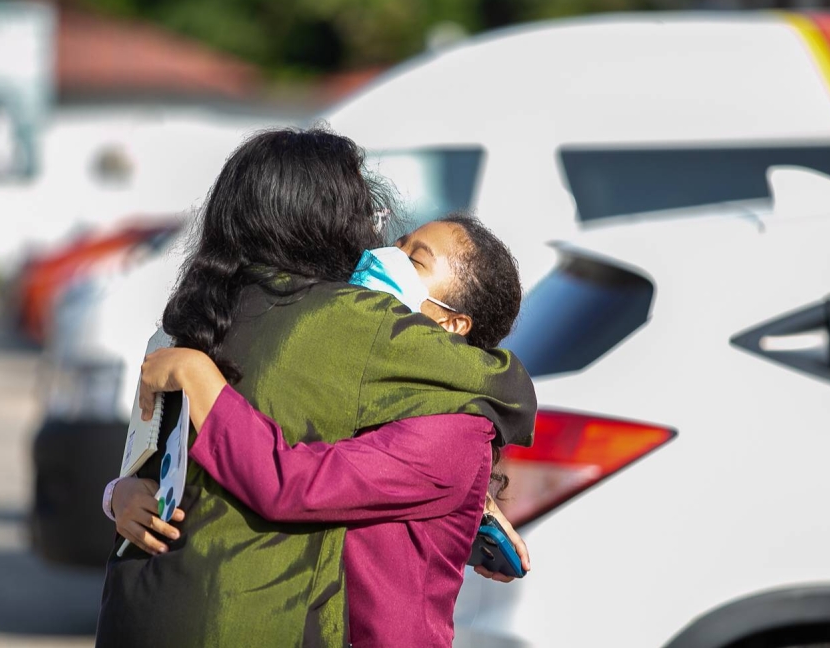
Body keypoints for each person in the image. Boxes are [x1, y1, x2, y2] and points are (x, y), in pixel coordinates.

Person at [94, 128, 536, 648]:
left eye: (415, 259)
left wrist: (197, 376)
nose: (388, 255)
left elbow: (296, 483)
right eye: (398, 243)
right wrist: (117, 494)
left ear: (454, 325)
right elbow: (159, 462)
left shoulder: (439, 419)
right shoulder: (340, 359)